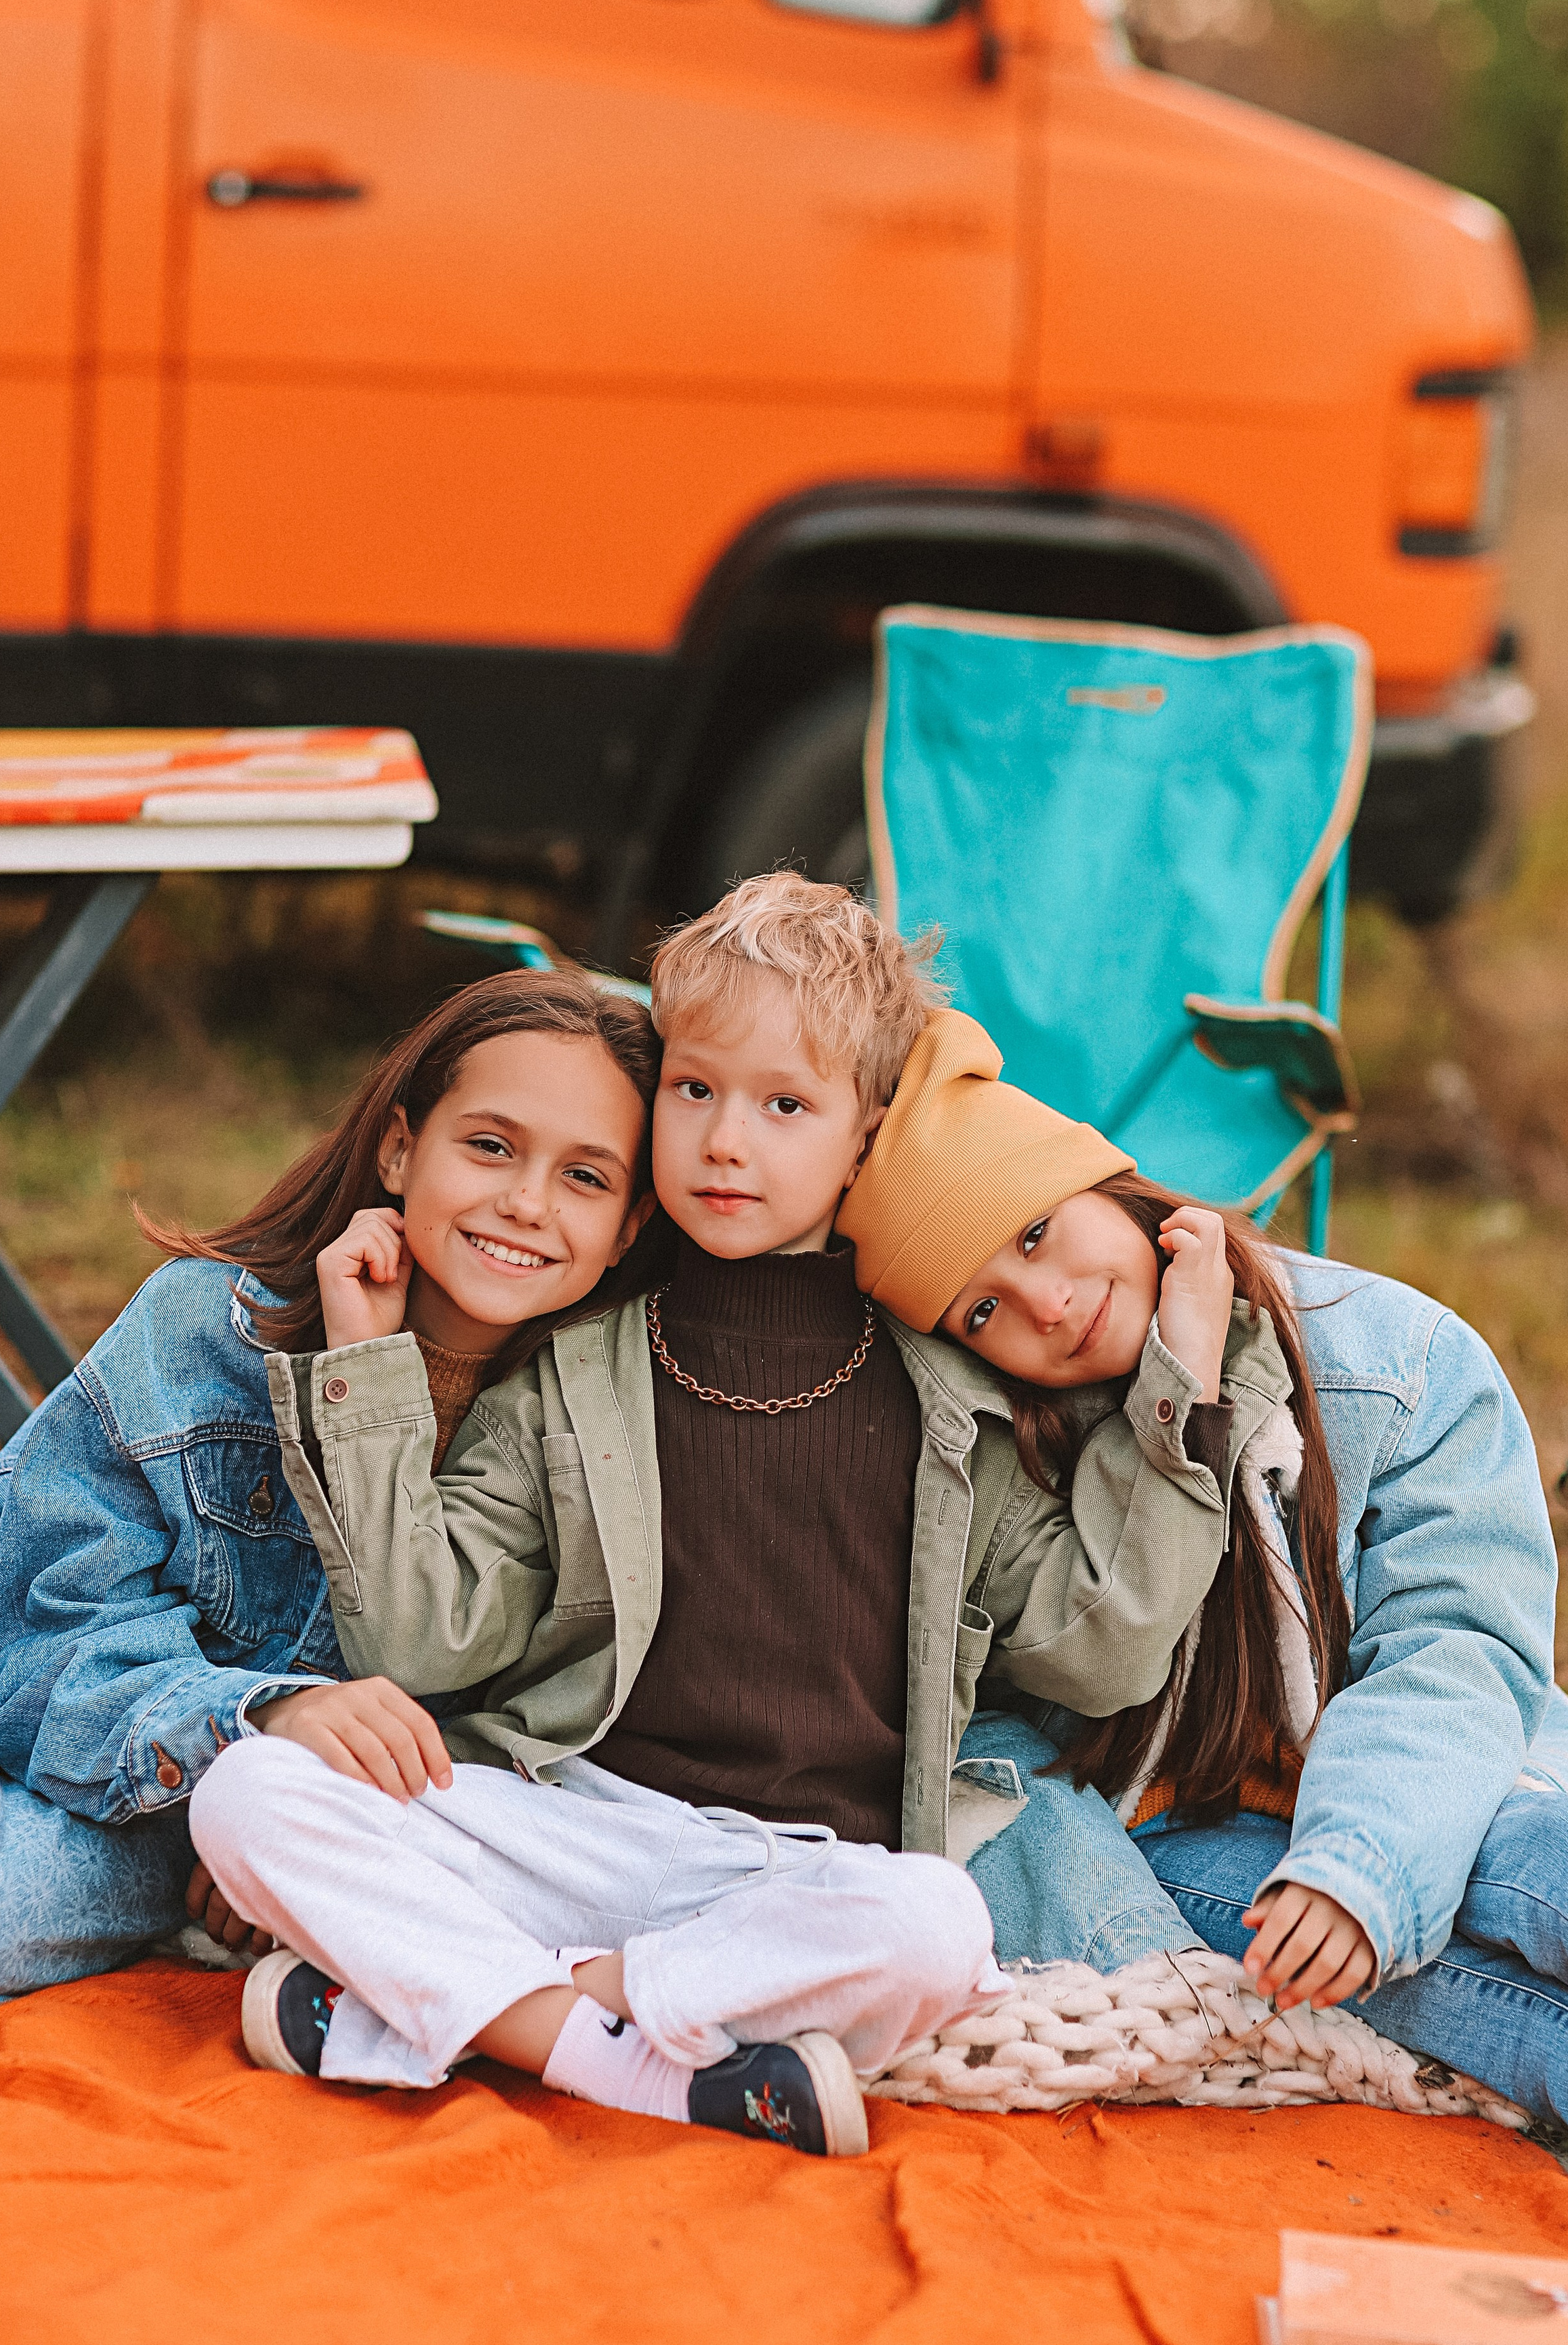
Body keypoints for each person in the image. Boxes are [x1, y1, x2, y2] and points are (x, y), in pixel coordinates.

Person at [189, 874, 1249, 2157]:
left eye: (785, 1105)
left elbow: (1103, 1651)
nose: (726, 1141)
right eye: (694, 1091)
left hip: (798, 1877)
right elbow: (423, 1646)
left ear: (865, 1139)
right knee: (254, 1789)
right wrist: (366, 1378)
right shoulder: (577, 1366)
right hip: (578, 1821)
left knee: (936, 1929)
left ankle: (439, 2009)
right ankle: (628, 2061)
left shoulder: (953, 1407)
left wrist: (1179, 1399)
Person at [841, 1008, 1568, 2148]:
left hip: (1414, 1779)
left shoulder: (1397, 1365)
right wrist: (1176, 1402)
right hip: (1178, 1824)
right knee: (1455, 2001)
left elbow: (1457, 1647)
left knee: (1552, 1861)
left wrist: (1362, 1866)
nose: (1043, 1303)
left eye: (1039, 1231)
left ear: (1110, 1183)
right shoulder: (1006, 1455)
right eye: (984, 1308)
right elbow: (1087, 1662)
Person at [0, 968, 662, 2013]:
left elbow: (498, 1729)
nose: (526, 1201)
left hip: (183, 1802)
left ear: (633, 1225)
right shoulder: (213, 1324)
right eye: (492, 1145)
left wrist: (288, 1833)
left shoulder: (582, 1440)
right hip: (7, 1632)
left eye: (586, 1178)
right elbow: (39, 1636)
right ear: (398, 1146)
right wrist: (256, 1718)